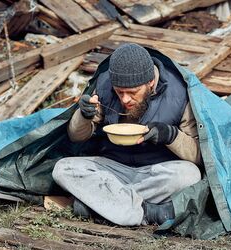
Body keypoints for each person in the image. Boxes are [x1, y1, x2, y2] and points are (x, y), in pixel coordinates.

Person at [52, 43, 202, 226]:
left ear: (151, 83)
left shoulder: (179, 93)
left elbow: (199, 156)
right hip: (112, 170)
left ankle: (99, 205)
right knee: (62, 168)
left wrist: (170, 136)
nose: (125, 99)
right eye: (119, 92)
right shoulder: (104, 85)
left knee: (190, 175)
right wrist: (83, 115)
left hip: (156, 172)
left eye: (132, 92)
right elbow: (76, 137)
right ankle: (148, 212)